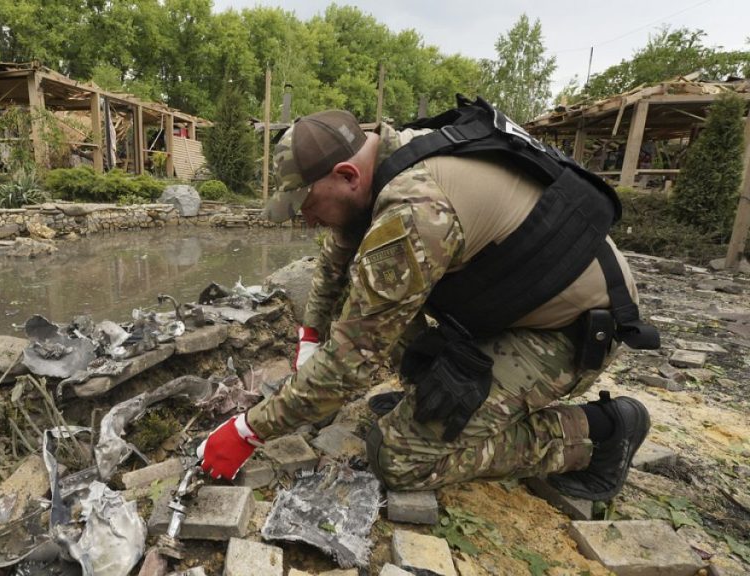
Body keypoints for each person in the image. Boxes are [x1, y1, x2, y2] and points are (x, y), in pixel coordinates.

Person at [198, 99, 660, 501]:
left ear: (346, 174)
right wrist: (311, 335)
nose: (307, 220)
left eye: (308, 205)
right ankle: (434, 409)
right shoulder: (392, 152)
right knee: (373, 311)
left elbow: (351, 362)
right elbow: (336, 258)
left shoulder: (415, 210)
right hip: (513, 299)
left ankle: (603, 431)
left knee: (400, 458)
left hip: (568, 332)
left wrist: (247, 431)